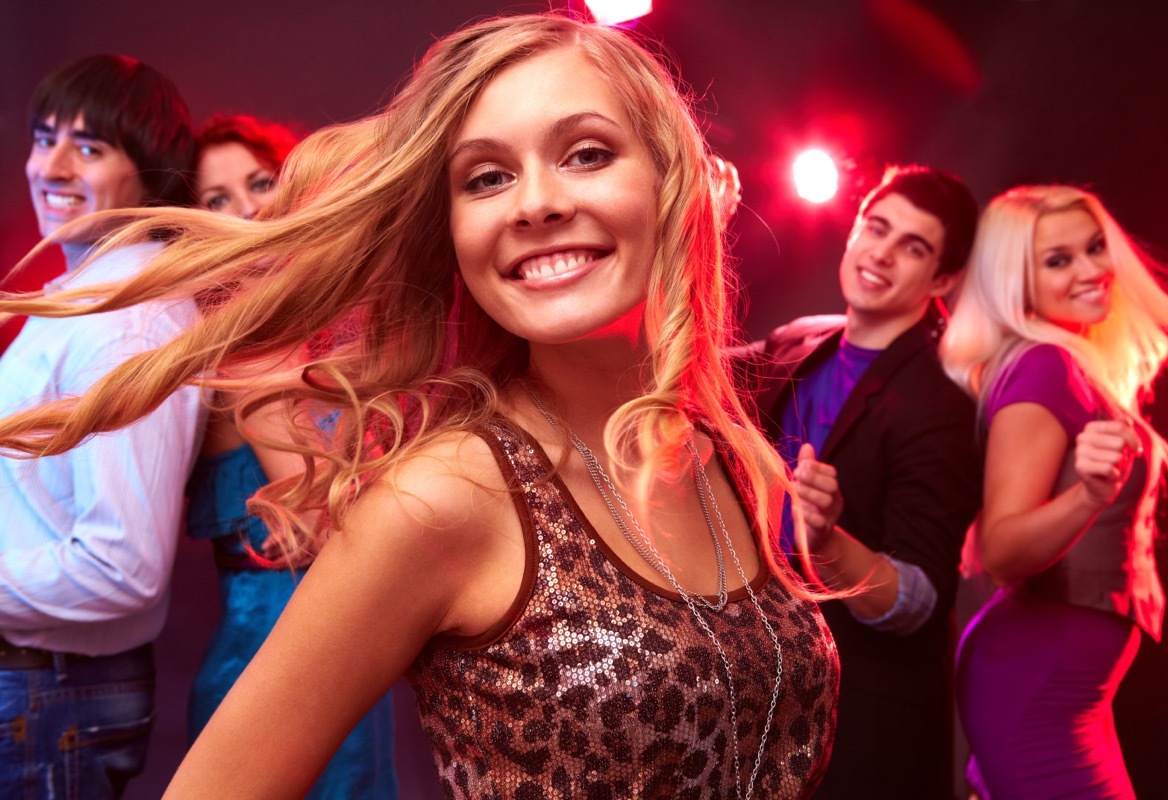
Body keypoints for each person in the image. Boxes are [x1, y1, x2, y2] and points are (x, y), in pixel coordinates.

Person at [0, 14, 839, 799]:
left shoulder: (728, 452)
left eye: (586, 153)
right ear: (454, 231)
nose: (535, 201)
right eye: (486, 176)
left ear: (671, 179)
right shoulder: (448, 492)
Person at [941, 185, 1168, 799]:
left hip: (1066, 694)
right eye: (1058, 260)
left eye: (1093, 248)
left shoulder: (1074, 365)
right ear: (1017, 282)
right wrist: (1088, 494)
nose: (1091, 271)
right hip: (1035, 691)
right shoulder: (1043, 368)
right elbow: (1002, 552)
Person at [738, 165, 982, 798]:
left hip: (864, 731)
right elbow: (677, 367)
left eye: (914, 247)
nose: (883, 254)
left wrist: (826, 542)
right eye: (878, 228)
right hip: (758, 701)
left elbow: (921, 603)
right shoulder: (800, 339)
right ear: (853, 231)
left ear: (944, 279)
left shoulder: (942, 404)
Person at [0, 54, 205, 798]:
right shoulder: (87, 302)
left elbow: (122, 566)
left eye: (88, 148)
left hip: (50, 697)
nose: (50, 166)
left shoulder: (127, 323)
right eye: (43, 137)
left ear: (147, 173)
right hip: (40, 691)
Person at [185, 113, 399, 797]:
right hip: (281, 664)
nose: (247, 209)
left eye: (259, 182)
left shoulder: (302, 332)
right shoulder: (246, 346)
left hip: (329, 652)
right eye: (216, 199)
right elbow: (328, 523)